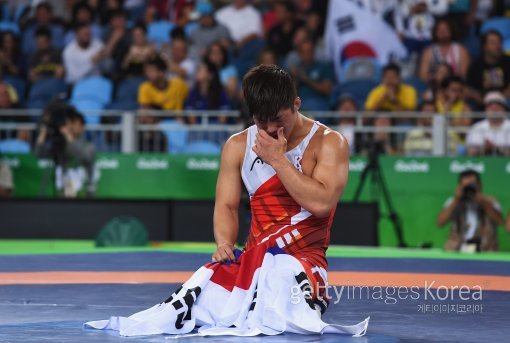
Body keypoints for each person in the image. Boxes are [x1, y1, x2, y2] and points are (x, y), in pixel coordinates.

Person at [84, 64, 368, 338]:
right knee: (196, 293)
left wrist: (278, 160)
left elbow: (321, 204)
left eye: (277, 120)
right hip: (252, 262)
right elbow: (227, 206)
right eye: (260, 120)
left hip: (304, 263)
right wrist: (224, 244)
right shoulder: (237, 146)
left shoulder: (329, 142)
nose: (268, 129)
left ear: (296, 103)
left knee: (280, 282)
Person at [34, 103, 96, 197]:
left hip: (84, 198)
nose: (71, 126)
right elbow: (39, 154)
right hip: (61, 196)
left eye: (74, 123)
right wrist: (44, 131)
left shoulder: (88, 146)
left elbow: (84, 155)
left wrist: (68, 135)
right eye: (69, 123)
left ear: (82, 128)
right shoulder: (59, 145)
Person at [437, 169, 504, 252]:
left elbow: (500, 221)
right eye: (466, 186)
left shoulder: (491, 201)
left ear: (480, 185)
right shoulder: (453, 201)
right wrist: (456, 200)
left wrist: (482, 201)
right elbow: (440, 222)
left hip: (485, 250)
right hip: (456, 250)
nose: (469, 189)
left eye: (472, 185)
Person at [288, 36, 334, 111]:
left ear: (313, 52)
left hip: (319, 105)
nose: (307, 55)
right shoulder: (296, 69)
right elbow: (289, 96)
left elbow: (327, 89)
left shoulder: (324, 66)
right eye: (303, 52)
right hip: (299, 107)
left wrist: (306, 79)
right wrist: (295, 78)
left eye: (309, 51)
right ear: (299, 54)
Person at [418, 18, 470, 83]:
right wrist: (438, 77)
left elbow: (464, 75)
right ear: (435, 32)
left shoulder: (461, 50)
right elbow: (422, 76)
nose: (443, 32)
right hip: (434, 86)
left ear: (451, 31)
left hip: (455, 87)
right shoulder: (428, 52)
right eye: (439, 29)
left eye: (446, 29)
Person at [466, 30, 510, 106]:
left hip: (506, 100)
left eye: (499, 42)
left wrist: (499, 99)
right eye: (493, 43)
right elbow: (470, 89)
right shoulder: (475, 66)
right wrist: (484, 101)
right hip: (482, 102)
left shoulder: (508, 62)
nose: (498, 46)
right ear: (484, 46)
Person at [466, 91, 510, 156]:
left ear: (504, 109)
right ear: (486, 109)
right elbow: (470, 153)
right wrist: (484, 149)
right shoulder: (477, 128)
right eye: (491, 107)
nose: (494, 110)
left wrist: (496, 149)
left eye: (498, 107)